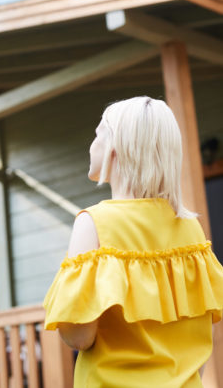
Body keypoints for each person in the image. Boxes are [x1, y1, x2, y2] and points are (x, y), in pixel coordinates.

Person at [43, 96, 223, 387]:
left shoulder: (93, 222)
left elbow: (79, 336)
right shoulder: (193, 230)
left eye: (97, 134)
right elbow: (203, 336)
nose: (92, 144)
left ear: (115, 147)